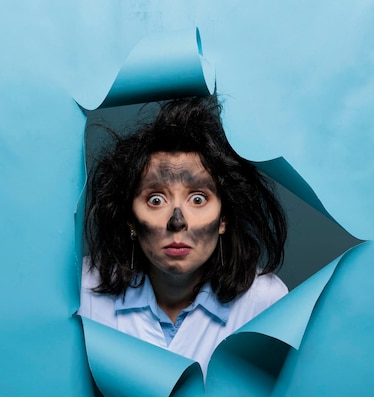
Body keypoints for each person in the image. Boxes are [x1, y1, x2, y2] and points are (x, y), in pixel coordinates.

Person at [78, 95, 288, 377]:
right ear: (131, 219)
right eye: (155, 200)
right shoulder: (82, 291)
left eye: (198, 199)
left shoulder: (265, 301)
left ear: (223, 218)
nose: (177, 222)